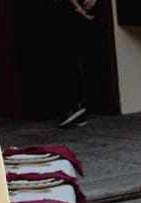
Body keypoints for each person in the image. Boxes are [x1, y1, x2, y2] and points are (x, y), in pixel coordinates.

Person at [56, 0, 99, 129]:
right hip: (77, 12)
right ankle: (78, 109)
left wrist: (78, 7)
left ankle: (76, 109)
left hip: (72, 12)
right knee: (75, 58)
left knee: (69, 60)